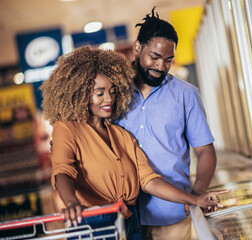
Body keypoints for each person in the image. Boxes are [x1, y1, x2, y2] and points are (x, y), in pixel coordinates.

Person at [40, 46, 228, 240]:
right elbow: (63, 171)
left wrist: (195, 198)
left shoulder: (122, 135)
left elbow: (149, 180)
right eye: (100, 93)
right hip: (94, 225)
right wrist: (71, 203)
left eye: (112, 91)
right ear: (80, 94)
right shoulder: (67, 129)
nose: (109, 99)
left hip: (129, 221)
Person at [114, 7, 217, 240]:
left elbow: (206, 151)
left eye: (168, 60)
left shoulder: (186, 95)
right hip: (124, 218)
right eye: (155, 57)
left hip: (174, 217)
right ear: (137, 48)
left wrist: (197, 192)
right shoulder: (112, 93)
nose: (161, 67)